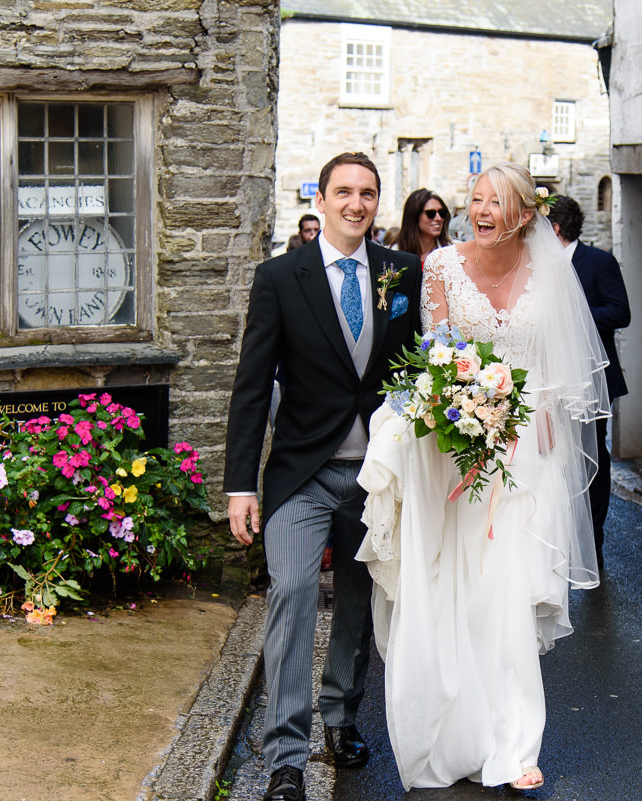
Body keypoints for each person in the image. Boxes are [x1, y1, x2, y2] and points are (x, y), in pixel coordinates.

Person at [356, 163, 609, 791]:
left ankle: (518, 744)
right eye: (476, 200)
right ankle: (456, 735)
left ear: (525, 212)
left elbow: (557, 359)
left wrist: (543, 410)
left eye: (497, 202)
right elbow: (438, 350)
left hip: (527, 461)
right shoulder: (439, 267)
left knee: (510, 600)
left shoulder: (551, 272)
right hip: (459, 449)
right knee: (460, 595)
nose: (482, 211)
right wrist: (468, 415)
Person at [224, 152, 422, 801]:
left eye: (367, 192)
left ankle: (340, 716)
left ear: (376, 201)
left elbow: (419, 371)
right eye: (344, 191)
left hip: (376, 477)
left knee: (361, 603)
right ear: (322, 195)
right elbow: (252, 387)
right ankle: (286, 755)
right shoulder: (281, 277)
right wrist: (240, 484)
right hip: (300, 473)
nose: (356, 203)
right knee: (293, 592)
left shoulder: (403, 273)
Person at [548, 194, 630, 571]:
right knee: (551, 458)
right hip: (549, 380)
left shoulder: (598, 262)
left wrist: (574, 314)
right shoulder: (537, 265)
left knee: (592, 457)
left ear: (555, 228)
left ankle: (592, 541)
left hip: (591, 381)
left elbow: (620, 312)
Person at [395, 188, 451, 263]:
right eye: (430, 213)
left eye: (442, 213)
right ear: (415, 216)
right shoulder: (394, 251)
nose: (438, 218)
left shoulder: (454, 250)